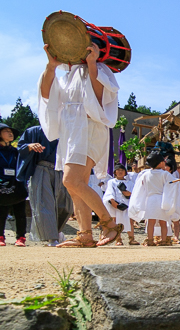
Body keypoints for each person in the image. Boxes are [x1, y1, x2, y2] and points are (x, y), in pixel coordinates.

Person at [38, 41, 123, 247]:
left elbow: (99, 97)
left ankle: (109, 224)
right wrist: (51, 66)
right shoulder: (67, 75)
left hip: (89, 128)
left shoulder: (100, 69)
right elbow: (46, 94)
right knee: (75, 186)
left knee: (71, 180)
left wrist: (92, 63)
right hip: (71, 131)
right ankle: (85, 235)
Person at [16, 125, 72, 246]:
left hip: (62, 169)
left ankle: (56, 231)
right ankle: (51, 238)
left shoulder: (66, 129)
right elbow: (21, 147)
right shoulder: (34, 131)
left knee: (66, 204)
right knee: (44, 203)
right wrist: (29, 146)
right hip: (41, 169)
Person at [128, 152, 174, 246]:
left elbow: (141, 187)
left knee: (150, 221)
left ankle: (150, 240)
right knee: (163, 221)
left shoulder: (145, 174)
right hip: (162, 198)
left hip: (150, 199)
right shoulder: (165, 174)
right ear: (160, 163)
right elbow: (171, 184)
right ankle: (164, 240)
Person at [0, 124, 27, 246]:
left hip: (16, 184)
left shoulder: (16, 152)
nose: (10, 133)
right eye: (6, 131)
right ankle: (1, 237)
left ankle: (21, 237)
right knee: (1, 211)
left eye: (11, 131)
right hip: (1, 185)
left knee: (20, 212)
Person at [103, 164, 137, 245]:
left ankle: (131, 239)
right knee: (116, 222)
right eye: (118, 170)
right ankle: (118, 239)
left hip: (127, 204)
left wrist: (129, 194)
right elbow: (109, 192)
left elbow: (135, 193)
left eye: (122, 170)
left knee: (130, 221)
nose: (120, 172)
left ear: (125, 172)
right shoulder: (111, 182)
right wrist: (113, 202)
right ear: (115, 172)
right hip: (116, 204)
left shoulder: (130, 183)